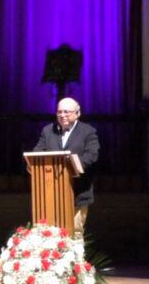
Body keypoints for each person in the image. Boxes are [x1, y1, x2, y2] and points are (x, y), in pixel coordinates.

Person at [34, 97, 100, 237]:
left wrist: (71, 167)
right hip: (51, 192)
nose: (62, 115)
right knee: (50, 234)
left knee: (75, 232)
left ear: (77, 113)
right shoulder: (47, 131)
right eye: (59, 112)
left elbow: (91, 155)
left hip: (78, 191)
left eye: (67, 112)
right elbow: (36, 154)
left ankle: (75, 258)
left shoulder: (88, 131)